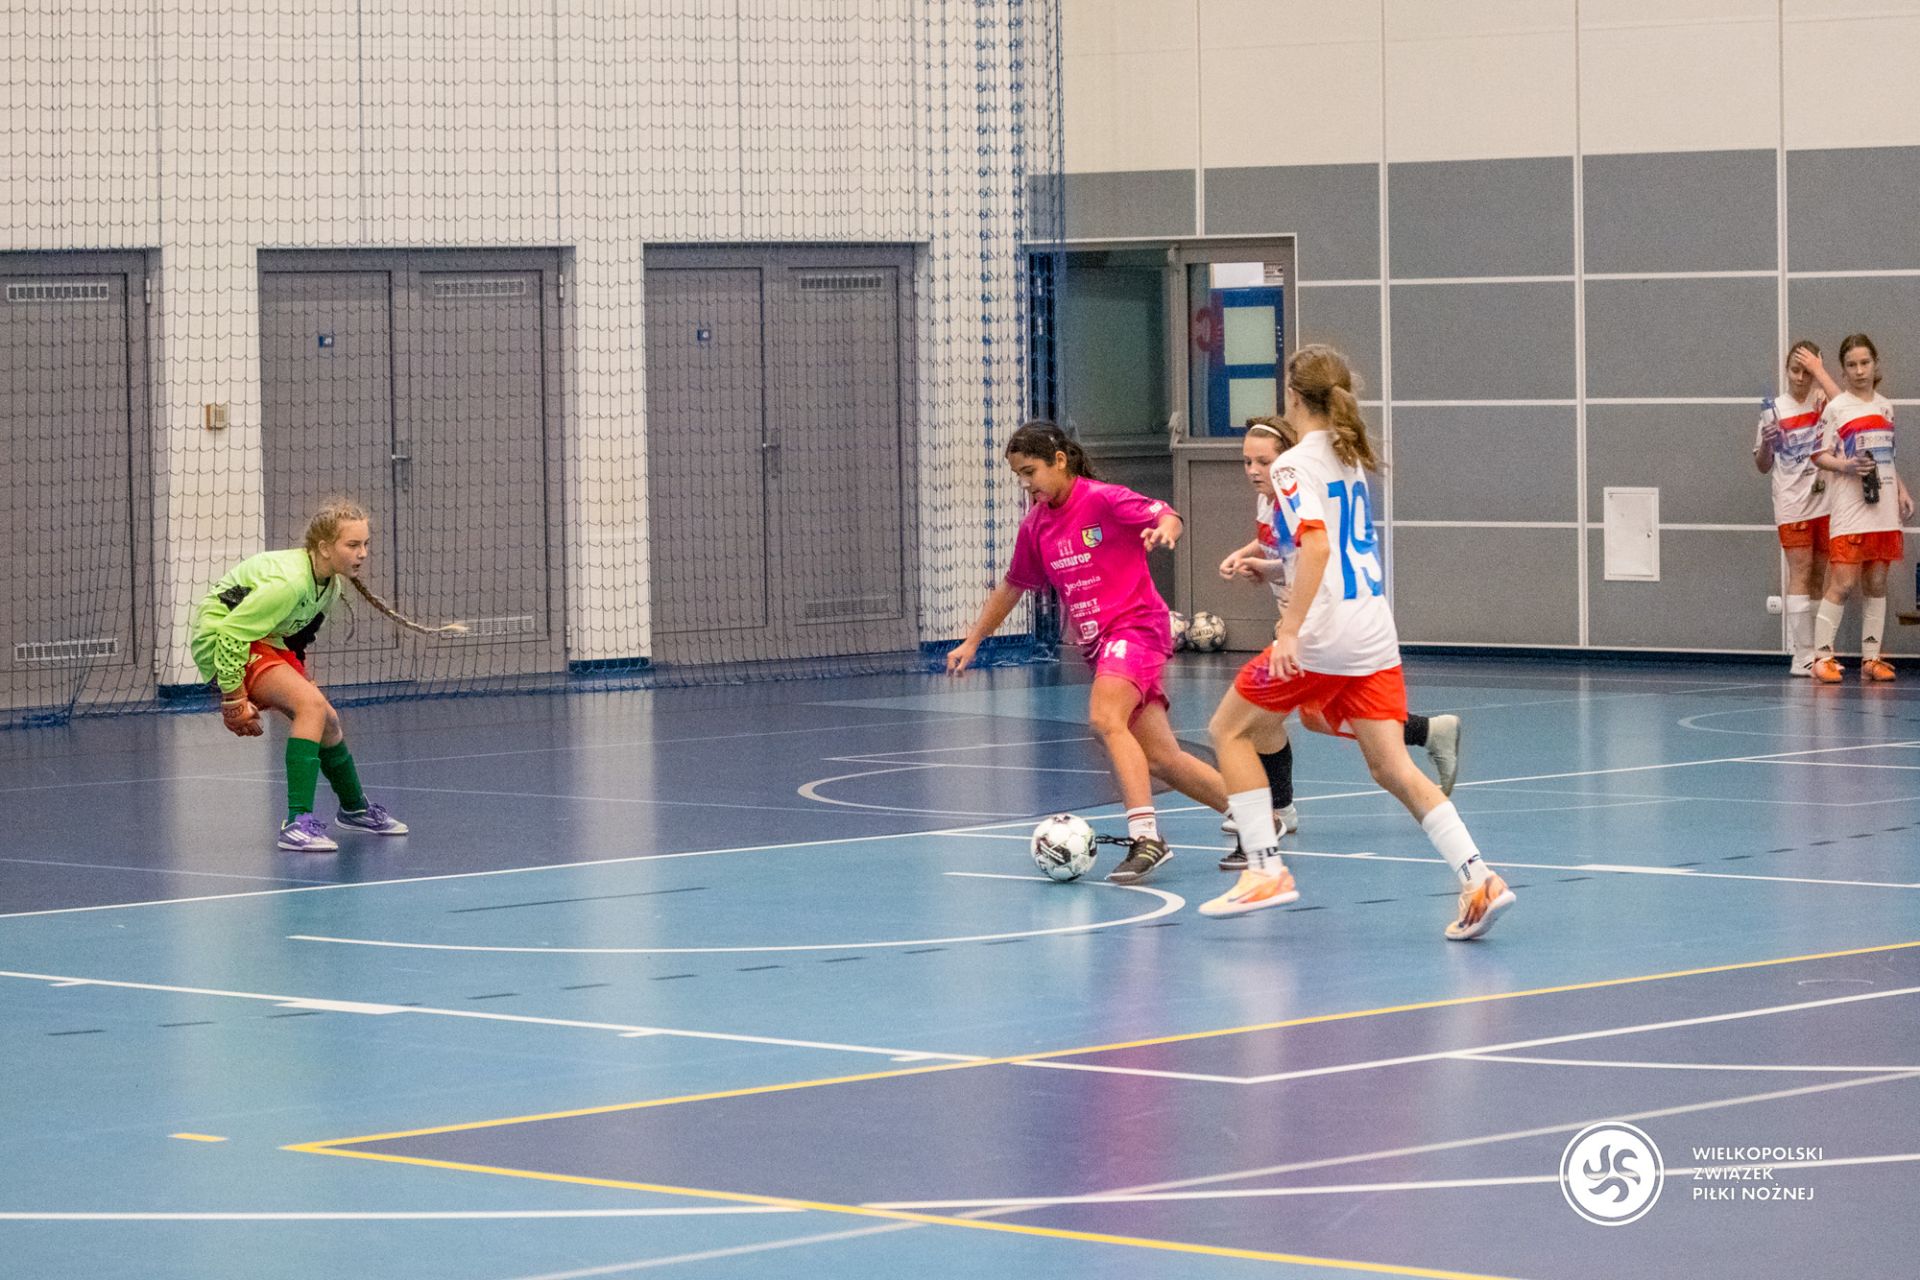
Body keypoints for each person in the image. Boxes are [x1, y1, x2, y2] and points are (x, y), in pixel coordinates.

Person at [1202, 346, 1514, 939]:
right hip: (1373, 631)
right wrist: (1276, 571)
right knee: (1392, 766)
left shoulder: (1292, 465)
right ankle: (1479, 878)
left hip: (1324, 636)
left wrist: (1289, 630)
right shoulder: (1347, 457)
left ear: (1294, 397)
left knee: (1228, 730)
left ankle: (1265, 869)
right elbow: (1325, 553)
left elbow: (1319, 547)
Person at [948, 422, 1229, 883]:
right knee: (1163, 758)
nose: (1026, 484)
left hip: (1137, 627)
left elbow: (1166, 514)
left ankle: (1147, 838)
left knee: (1104, 718)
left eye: (1030, 471)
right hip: (1101, 646)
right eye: (1019, 476)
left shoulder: (1103, 499)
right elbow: (1013, 585)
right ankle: (1256, 821)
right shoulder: (1036, 526)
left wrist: (1165, 530)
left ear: (1059, 461)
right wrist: (974, 639)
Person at [1214, 415, 1464, 871]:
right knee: (1314, 725)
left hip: (1317, 630)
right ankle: (1427, 740)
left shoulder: (1295, 485)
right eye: (1246, 461)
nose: (1253, 470)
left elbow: (1315, 554)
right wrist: (1253, 558)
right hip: (1328, 628)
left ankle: (1267, 835)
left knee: (1239, 728)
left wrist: (1290, 629)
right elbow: (1287, 552)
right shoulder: (1270, 500)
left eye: (1263, 461)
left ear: (1286, 456)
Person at [190, 498, 461, 851]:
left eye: (365, 544)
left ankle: (354, 808)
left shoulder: (330, 587)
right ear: (324, 547)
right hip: (221, 639)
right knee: (311, 707)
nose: (362, 553)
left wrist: (302, 683)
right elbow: (231, 632)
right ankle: (297, 824)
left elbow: (295, 640)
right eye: (352, 545)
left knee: (327, 718)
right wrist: (233, 697)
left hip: (264, 639)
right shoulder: (289, 583)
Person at [1802, 336, 1913, 682]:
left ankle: (1871, 658)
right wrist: (1847, 466)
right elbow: (1818, 455)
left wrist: (1901, 491)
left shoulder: (1885, 407)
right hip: (1850, 511)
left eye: (1865, 363)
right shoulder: (1837, 408)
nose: (1859, 370)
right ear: (1843, 369)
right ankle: (1821, 657)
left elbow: (1888, 457)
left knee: (1877, 581)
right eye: (1852, 365)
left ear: (1875, 363)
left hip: (1884, 510)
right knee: (1844, 582)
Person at [1754, 341, 1831, 675]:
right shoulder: (1775, 411)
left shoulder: (1826, 400)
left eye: (1807, 371)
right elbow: (1762, 465)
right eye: (1794, 370)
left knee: (1819, 576)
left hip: (1825, 502)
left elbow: (1848, 413)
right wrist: (1767, 442)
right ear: (1786, 370)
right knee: (1800, 572)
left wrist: (1820, 374)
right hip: (1792, 504)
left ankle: (1817, 652)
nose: (1800, 378)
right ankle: (1801, 656)